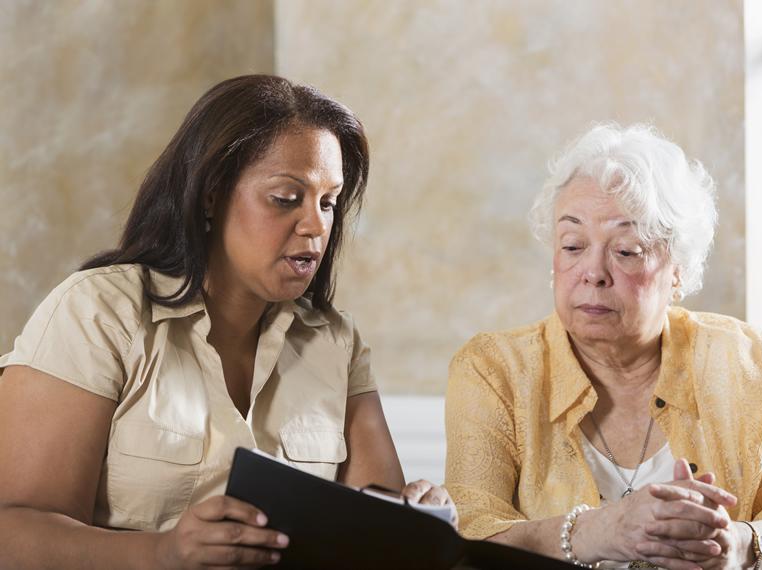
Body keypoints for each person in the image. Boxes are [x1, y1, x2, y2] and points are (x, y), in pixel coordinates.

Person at [0, 75, 453, 570]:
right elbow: (13, 531)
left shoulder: (335, 342)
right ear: (211, 195)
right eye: (286, 198)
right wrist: (163, 552)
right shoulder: (98, 313)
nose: (317, 226)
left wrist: (419, 517)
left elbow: (377, 538)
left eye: (329, 202)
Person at [445, 123, 762, 569]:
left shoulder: (757, 366)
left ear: (678, 271)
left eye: (627, 251)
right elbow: (470, 530)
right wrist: (603, 530)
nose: (593, 272)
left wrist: (739, 545)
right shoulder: (495, 370)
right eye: (572, 245)